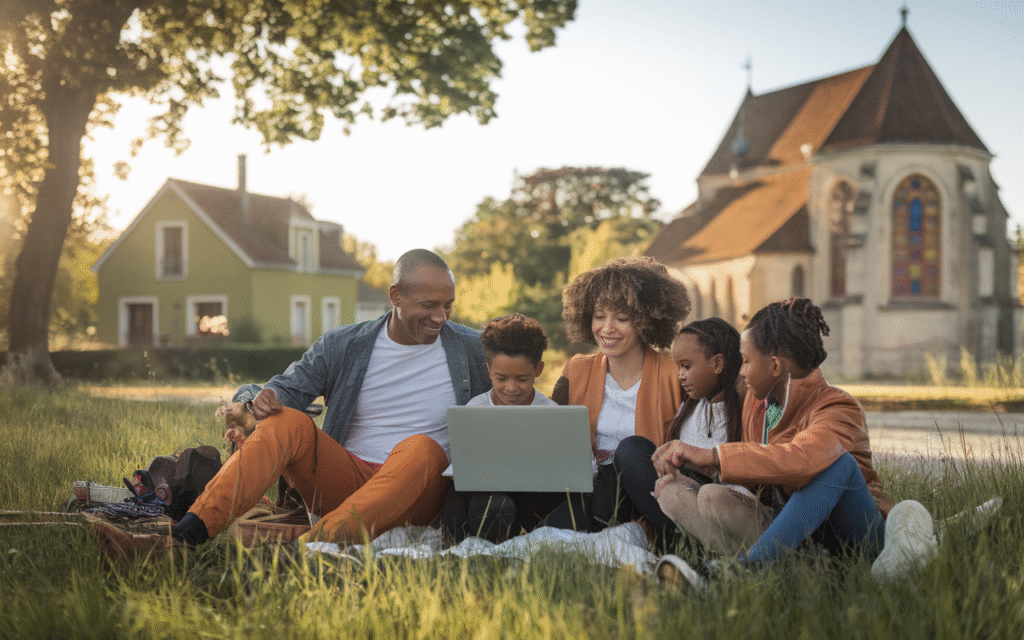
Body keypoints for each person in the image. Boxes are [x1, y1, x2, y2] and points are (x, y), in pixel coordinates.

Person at [169, 249, 490, 546]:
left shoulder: (473, 348)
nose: (440, 317)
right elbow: (283, 390)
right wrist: (251, 405)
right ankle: (187, 534)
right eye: (428, 305)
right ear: (396, 295)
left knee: (421, 448)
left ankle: (309, 547)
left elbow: (518, 389)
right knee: (285, 422)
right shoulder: (344, 344)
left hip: (418, 490)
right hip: (346, 481)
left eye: (447, 305)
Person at [651, 298, 926, 588]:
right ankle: (791, 576)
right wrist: (699, 467)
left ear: (774, 365)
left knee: (839, 466)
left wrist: (714, 456)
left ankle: (737, 573)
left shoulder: (838, 408)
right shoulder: (758, 407)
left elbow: (799, 460)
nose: (741, 372)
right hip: (800, 538)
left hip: (857, 538)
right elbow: (764, 482)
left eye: (745, 361)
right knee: (683, 492)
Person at [543, 257, 690, 532]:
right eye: (599, 316)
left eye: (622, 318)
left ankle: (679, 539)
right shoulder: (576, 370)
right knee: (552, 531)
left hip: (654, 489)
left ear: (646, 321)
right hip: (598, 491)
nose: (607, 328)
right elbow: (553, 438)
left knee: (631, 450)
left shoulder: (675, 374)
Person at [613, 317, 744, 548]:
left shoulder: (745, 409)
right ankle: (677, 541)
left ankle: (694, 548)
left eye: (686, 366)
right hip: (680, 497)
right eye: (678, 367)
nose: (680, 375)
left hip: (721, 504)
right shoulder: (691, 406)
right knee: (631, 450)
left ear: (717, 364)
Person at [438, 313, 562, 543]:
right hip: (487, 496)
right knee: (474, 498)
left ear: (538, 369)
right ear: (488, 370)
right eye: (501, 378)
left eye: (522, 379)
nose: (511, 388)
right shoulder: (475, 409)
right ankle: (456, 546)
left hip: (533, 496)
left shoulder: (551, 413)